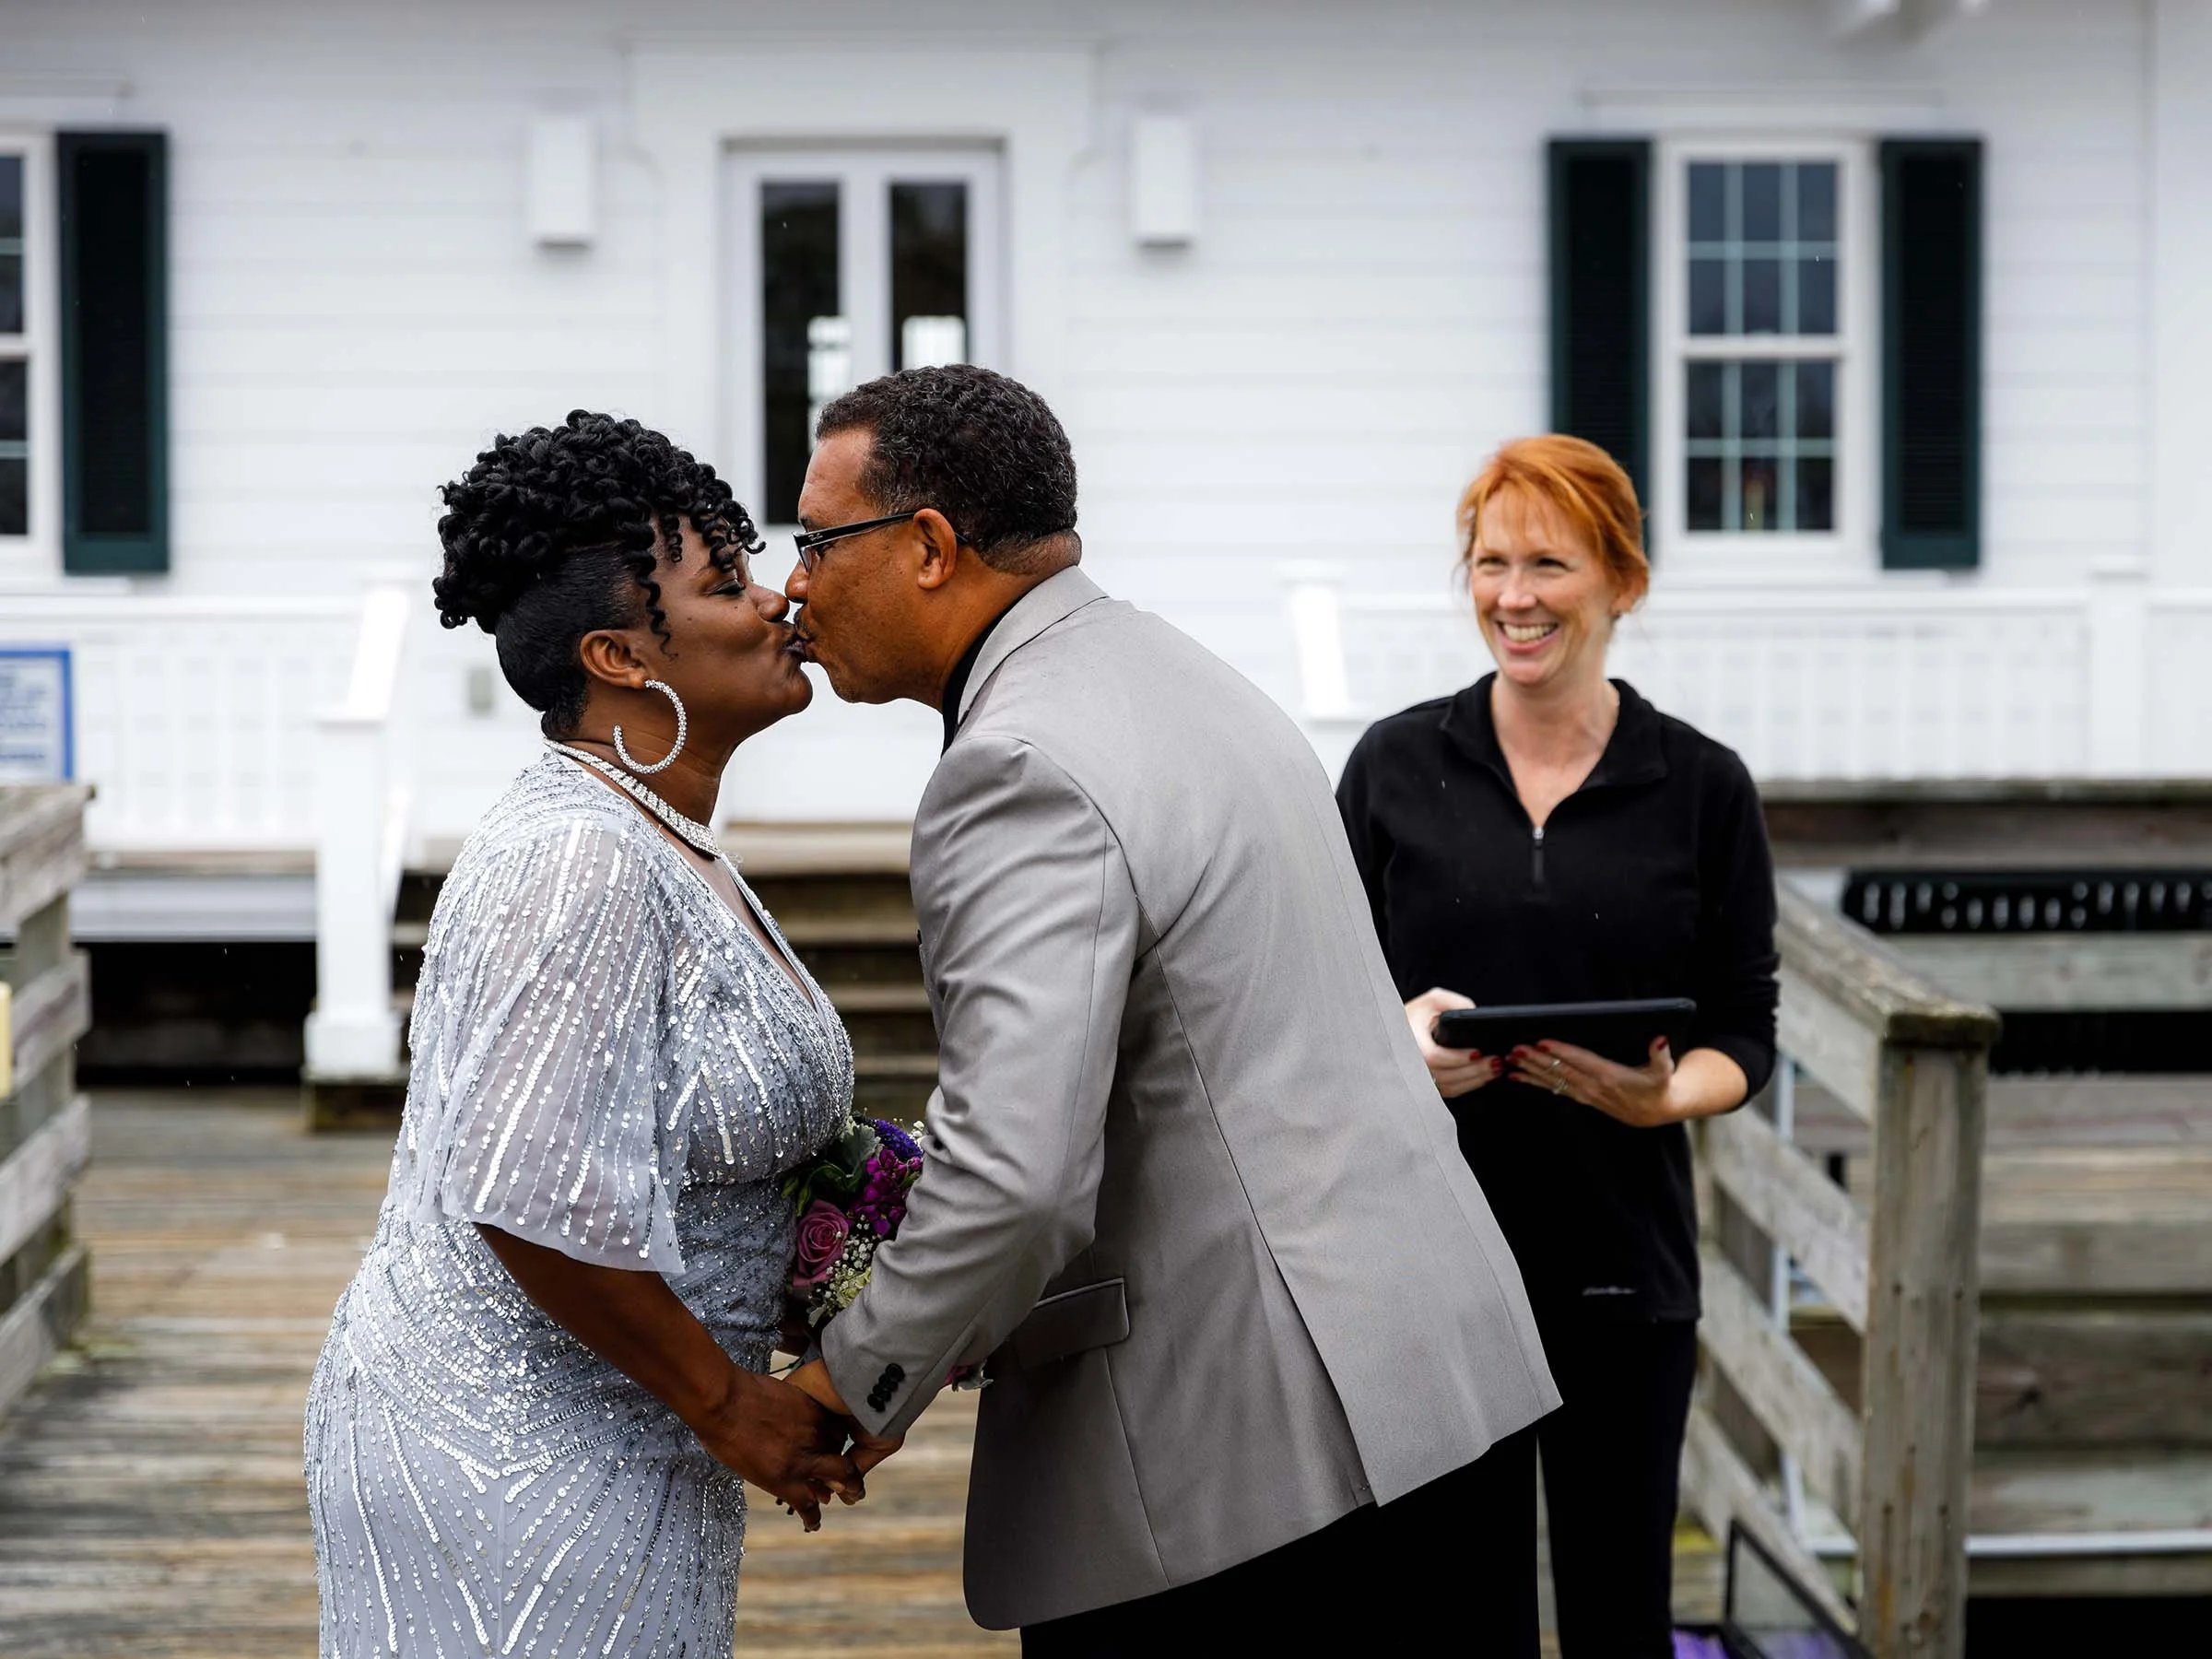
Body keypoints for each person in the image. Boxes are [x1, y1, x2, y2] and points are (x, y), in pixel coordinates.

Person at [774, 364, 1559, 1653]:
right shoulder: (1188, 674)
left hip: (1251, 1466)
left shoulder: (1013, 766)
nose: (797, 583)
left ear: (927, 547)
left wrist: (845, 1385)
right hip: (1446, 1376)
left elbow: (1018, 1180)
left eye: (817, 540)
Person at [304, 413, 861, 1659]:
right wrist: (731, 1409)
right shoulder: (576, 856)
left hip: (621, 1431)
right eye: (726, 583)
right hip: (509, 1452)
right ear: (619, 655)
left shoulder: (658, 833)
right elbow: (532, 1186)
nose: (778, 603)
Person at [1335, 434, 1782, 1658]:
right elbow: (1315, 1001)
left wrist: (1665, 1097)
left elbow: (1747, 1028)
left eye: (1550, 563)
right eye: (1490, 563)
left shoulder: (1701, 786)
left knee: (1617, 1610)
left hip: (1622, 1270)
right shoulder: (1392, 767)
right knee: (1451, 1614)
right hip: (1432, 1269)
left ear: (1621, 582)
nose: (1514, 596)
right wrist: (1394, 1045)